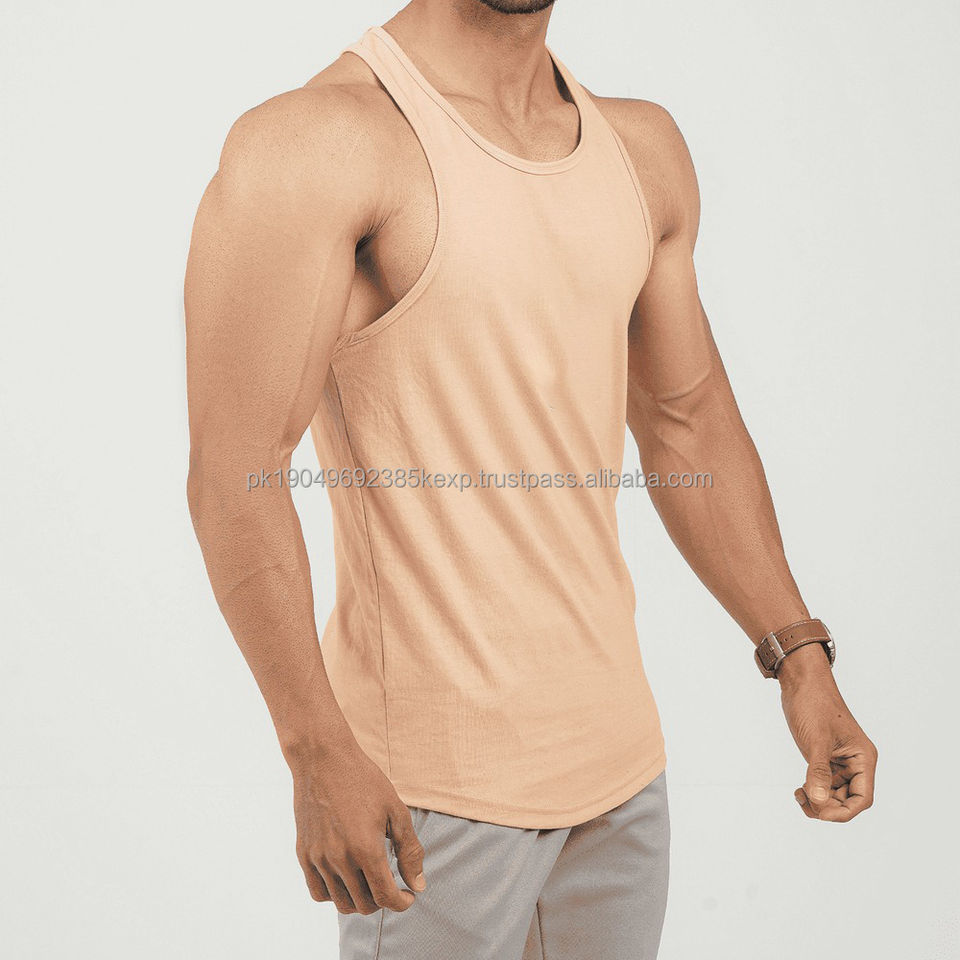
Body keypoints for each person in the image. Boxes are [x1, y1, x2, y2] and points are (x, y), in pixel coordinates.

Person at [183, 0, 878, 956]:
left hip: (623, 776)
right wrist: (316, 747)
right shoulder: (321, 143)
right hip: (430, 797)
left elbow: (687, 421)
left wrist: (800, 658)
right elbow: (238, 473)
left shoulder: (640, 150)